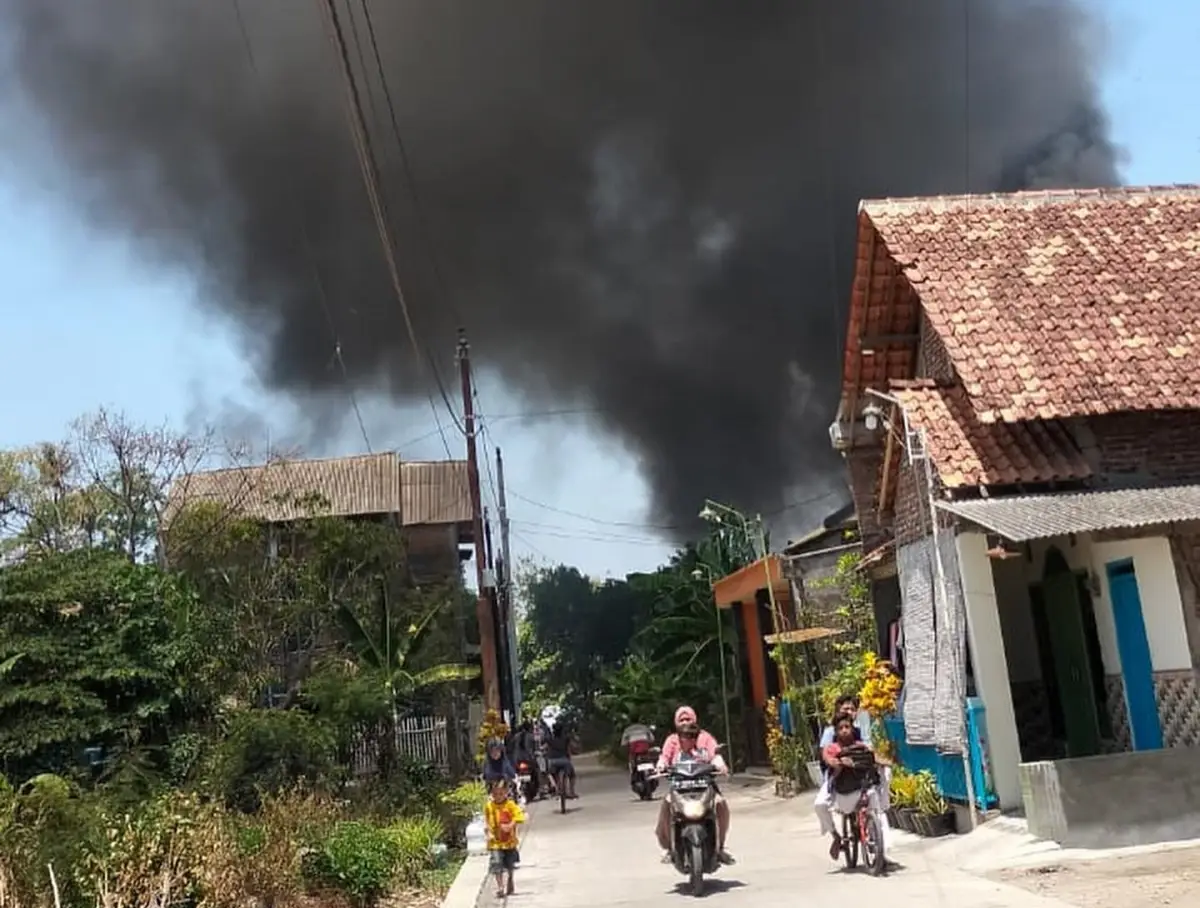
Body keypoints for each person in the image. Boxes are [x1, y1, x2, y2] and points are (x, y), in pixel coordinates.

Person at [654, 705, 734, 865]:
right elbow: (664, 757)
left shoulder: (705, 738)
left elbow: (715, 754)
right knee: (667, 806)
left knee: (721, 805)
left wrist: (720, 764)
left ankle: (720, 846)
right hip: (679, 788)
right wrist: (660, 766)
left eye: (688, 719)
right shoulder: (671, 741)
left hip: (705, 787)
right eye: (681, 720)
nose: (685, 722)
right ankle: (670, 848)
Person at [815, 714, 881, 859]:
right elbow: (830, 761)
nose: (844, 730)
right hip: (842, 792)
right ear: (836, 732)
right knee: (819, 805)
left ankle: (875, 836)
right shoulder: (831, 748)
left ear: (852, 729)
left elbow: (874, 759)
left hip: (861, 789)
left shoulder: (861, 747)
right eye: (841, 728)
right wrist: (840, 763)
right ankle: (835, 836)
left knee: (874, 796)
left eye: (847, 727)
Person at [484, 779, 526, 898]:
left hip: (509, 841)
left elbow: (519, 816)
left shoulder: (510, 805)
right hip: (495, 842)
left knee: (509, 864)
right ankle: (500, 887)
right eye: (495, 794)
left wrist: (511, 825)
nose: (498, 797)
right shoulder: (489, 806)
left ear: (506, 792)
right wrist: (488, 832)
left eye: (501, 794)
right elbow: (486, 820)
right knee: (496, 863)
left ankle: (510, 879)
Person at [544, 720, 578, 798]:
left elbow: (544, 747)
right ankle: (572, 792)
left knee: (550, 773)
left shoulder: (549, 739)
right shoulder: (566, 739)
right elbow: (571, 748)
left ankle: (557, 788)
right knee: (572, 775)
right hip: (565, 761)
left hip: (553, 761)